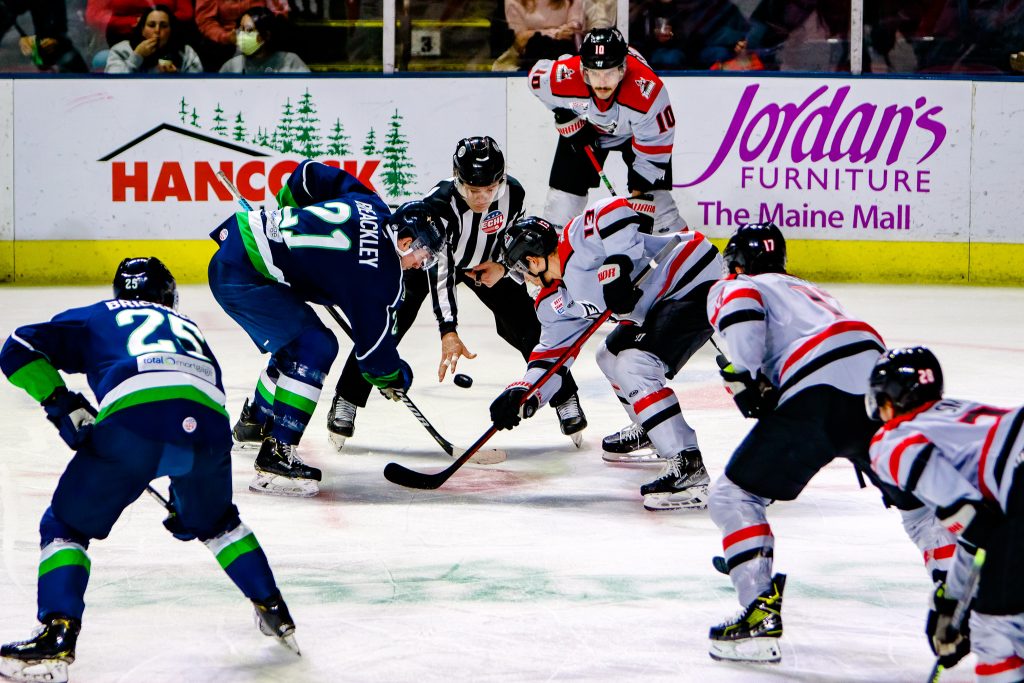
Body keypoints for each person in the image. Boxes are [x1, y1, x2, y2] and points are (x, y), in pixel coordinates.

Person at [0, 257, 298, 683]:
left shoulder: (97, 316)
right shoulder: (189, 328)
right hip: (209, 429)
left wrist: (60, 403)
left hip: (133, 424)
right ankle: (274, 611)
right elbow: (183, 405)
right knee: (217, 523)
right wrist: (188, 502)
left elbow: (17, 348)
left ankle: (57, 634)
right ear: (168, 295)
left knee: (65, 525)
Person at [704, 223, 955, 663]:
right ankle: (958, 591)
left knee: (733, 494)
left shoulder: (743, 285)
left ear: (737, 264)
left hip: (816, 389)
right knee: (917, 508)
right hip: (879, 389)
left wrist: (740, 375)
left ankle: (757, 610)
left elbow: (744, 351)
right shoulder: (810, 291)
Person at [326, 136, 588, 450]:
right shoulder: (439, 204)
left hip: (486, 262)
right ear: (458, 179)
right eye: (473, 190)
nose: (482, 198)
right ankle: (347, 399)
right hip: (430, 264)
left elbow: (514, 240)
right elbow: (441, 272)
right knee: (386, 323)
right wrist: (448, 330)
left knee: (527, 326)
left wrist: (502, 266)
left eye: (490, 189)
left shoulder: (513, 193)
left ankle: (565, 398)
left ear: (500, 181)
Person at [213, 160, 444, 497]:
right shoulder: (383, 278)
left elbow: (308, 175)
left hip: (238, 247)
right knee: (316, 347)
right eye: (424, 255)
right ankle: (277, 453)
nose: (421, 264)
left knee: (298, 342)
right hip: (244, 278)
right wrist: (396, 378)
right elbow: (373, 357)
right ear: (407, 240)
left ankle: (255, 422)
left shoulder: (373, 204)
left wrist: (287, 217)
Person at [490, 196, 722, 510]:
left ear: (532, 260)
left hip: (694, 276)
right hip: (660, 304)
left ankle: (688, 465)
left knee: (633, 363)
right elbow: (552, 356)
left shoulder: (575, 241)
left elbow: (615, 209)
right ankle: (653, 428)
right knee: (609, 355)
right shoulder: (553, 301)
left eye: (520, 270)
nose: (524, 280)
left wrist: (618, 265)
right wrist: (524, 393)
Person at [867, 346, 1024, 679]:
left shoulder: (892, 438)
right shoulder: (961, 414)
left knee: (997, 629)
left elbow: (978, 526)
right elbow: (980, 529)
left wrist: (959, 613)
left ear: (888, 401)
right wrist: (953, 601)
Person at [527, 26, 685, 235]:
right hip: (588, 127)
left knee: (658, 209)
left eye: (609, 73)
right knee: (560, 205)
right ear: (584, 70)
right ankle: (551, 260)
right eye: (595, 73)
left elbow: (653, 154)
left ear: (622, 69)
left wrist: (641, 199)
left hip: (636, 135)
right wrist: (566, 117)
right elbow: (534, 79)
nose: (602, 82)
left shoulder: (648, 93)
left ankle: (687, 255)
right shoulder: (565, 76)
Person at [195, 0, 288, 71]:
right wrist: (226, 37)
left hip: (264, 33)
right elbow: (206, 21)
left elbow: (278, 11)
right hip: (226, 42)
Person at [105, 5, 202, 73]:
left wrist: (175, 78)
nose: (157, 30)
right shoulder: (121, 50)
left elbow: (198, 88)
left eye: (164, 26)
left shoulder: (186, 52)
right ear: (142, 29)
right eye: (151, 25)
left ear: (171, 30)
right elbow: (112, 86)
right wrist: (137, 56)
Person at [492, 0, 582, 71]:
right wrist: (556, 33)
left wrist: (533, 33)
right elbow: (521, 39)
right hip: (531, 58)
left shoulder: (572, 1)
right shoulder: (514, 1)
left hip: (565, 57)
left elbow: (573, 30)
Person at [219, 6, 308, 73]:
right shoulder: (232, 66)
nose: (242, 35)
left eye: (249, 30)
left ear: (266, 35)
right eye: (241, 30)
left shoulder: (291, 62)